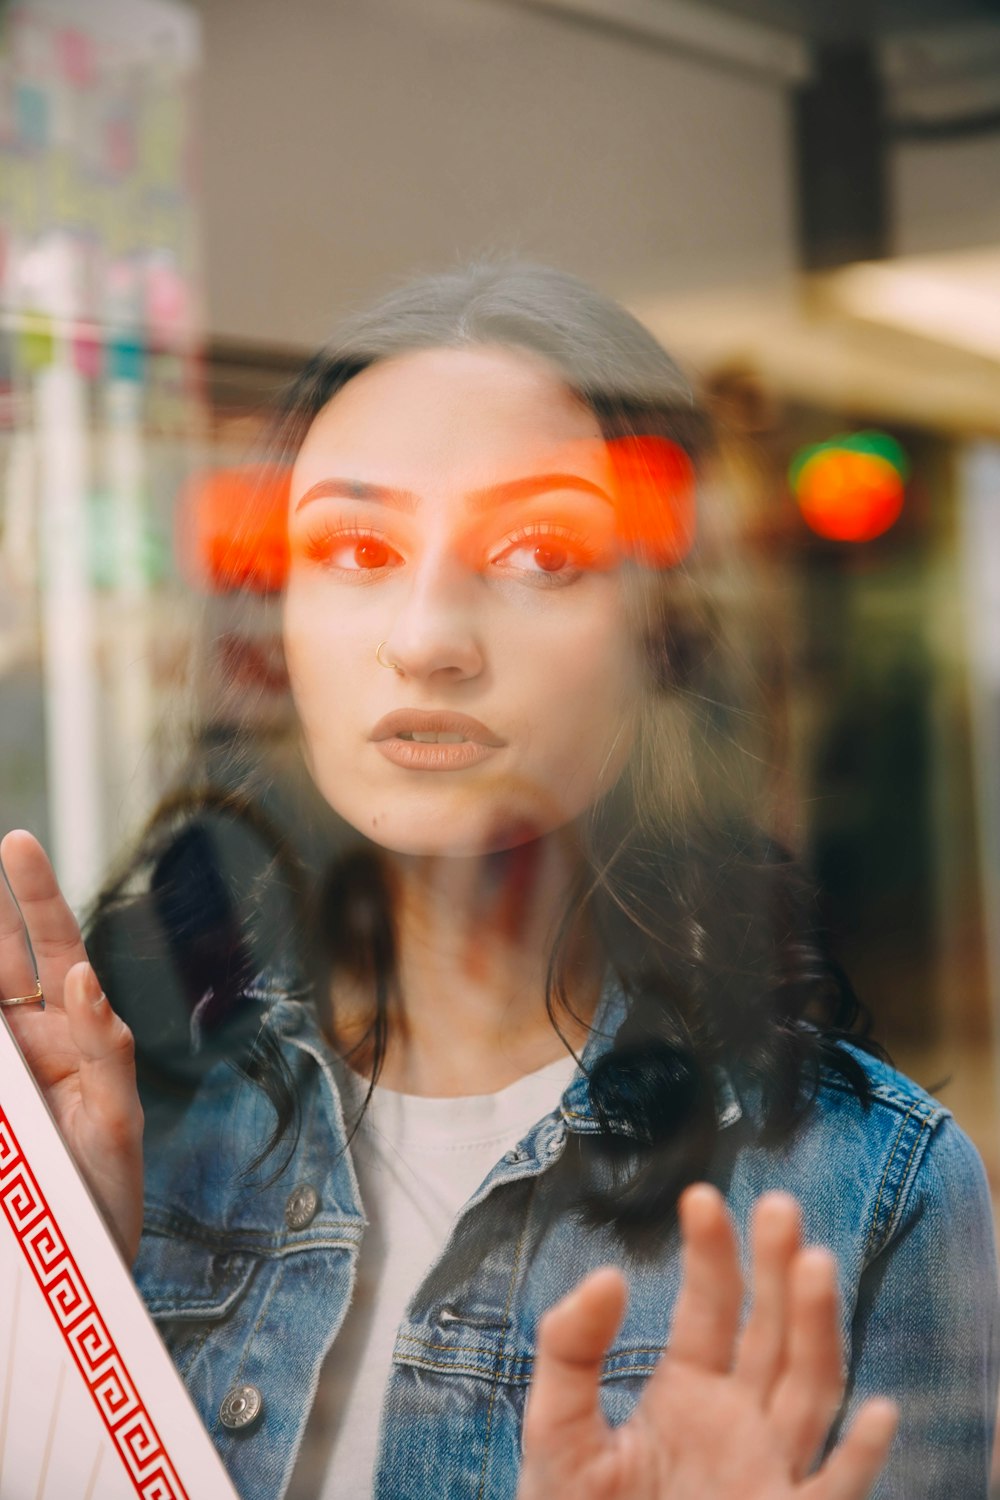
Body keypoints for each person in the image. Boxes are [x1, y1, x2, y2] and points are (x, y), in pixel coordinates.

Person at [0, 262, 996, 1500]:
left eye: (538, 554)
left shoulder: (863, 1189)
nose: (426, 638)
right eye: (356, 548)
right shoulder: (107, 1116)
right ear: (274, 632)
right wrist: (50, 1290)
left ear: (660, 640)